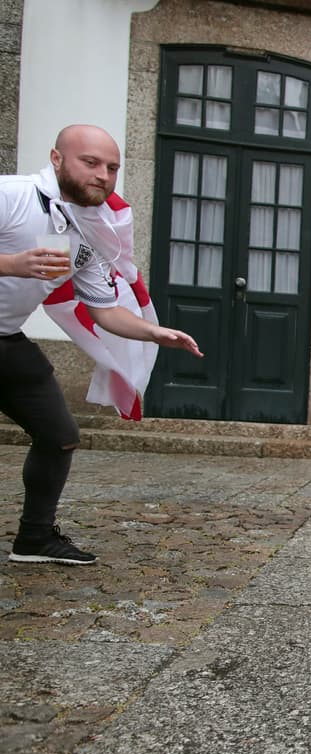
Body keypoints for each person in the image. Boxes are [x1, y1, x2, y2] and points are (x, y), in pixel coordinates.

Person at [1, 124, 202, 565]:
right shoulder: (11, 195)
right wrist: (10, 263)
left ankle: (34, 538)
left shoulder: (88, 230)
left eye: (111, 168)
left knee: (59, 436)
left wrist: (155, 331)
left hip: (7, 340)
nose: (103, 176)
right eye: (90, 163)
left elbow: (104, 309)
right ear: (57, 159)